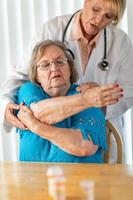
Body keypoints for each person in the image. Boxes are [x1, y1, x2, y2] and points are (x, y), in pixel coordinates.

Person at [0, 0, 131, 159]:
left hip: (97, 127)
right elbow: (22, 75)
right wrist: (6, 105)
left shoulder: (121, 42)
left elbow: (128, 89)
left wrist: (101, 101)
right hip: (49, 128)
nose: (98, 20)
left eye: (108, 16)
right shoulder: (52, 29)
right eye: (96, 9)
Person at [17, 40, 120, 162]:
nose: (54, 68)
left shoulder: (88, 92)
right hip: (30, 179)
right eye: (45, 65)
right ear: (36, 76)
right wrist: (86, 100)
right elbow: (38, 112)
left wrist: (36, 126)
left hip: (82, 179)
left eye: (60, 62)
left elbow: (84, 146)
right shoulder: (29, 90)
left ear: (70, 69)